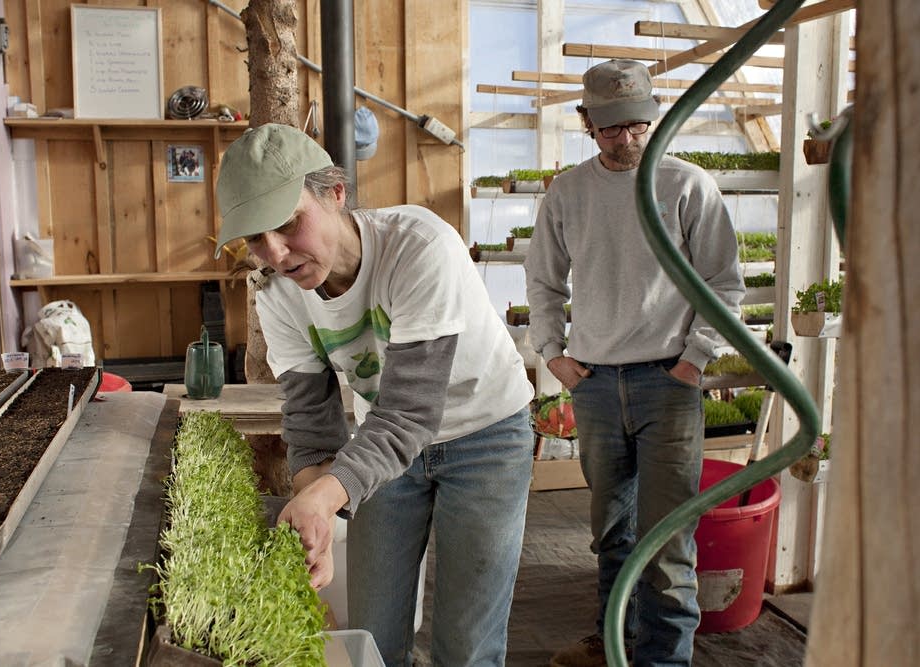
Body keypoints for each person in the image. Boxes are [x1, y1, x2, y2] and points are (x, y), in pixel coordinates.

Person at [214, 123, 535, 667]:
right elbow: (311, 424)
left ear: (335, 194)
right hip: (381, 448)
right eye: (254, 239)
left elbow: (410, 412)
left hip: (486, 435)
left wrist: (322, 499)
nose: (275, 254)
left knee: (467, 642)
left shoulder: (419, 247)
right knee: (374, 632)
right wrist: (315, 521)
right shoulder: (276, 291)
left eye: (289, 223)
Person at [524, 59, 744, 667]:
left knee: (670, 536)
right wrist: (553, 355)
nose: (626, 140)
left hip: (667, 381)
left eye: (637, 125)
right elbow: (542, 281)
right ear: (587, 123)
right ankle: (610, 640)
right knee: (611, 531)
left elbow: (724, 283)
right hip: (594, 386)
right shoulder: (569, 191)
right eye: (611, 128)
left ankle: (664, 658)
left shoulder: (686, 185)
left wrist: (695, 361)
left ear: (654, 116)